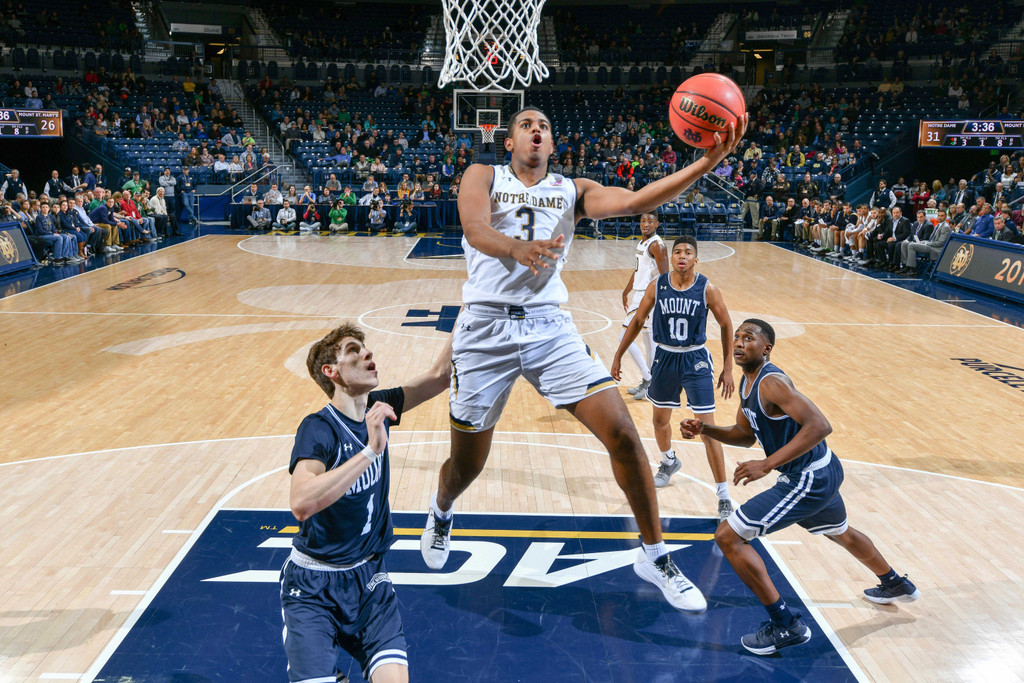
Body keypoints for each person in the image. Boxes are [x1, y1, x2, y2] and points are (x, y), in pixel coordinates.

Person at [419, 106, 747, 613]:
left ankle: (654, 554)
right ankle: (442, 511)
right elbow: (474, 228)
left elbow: (638, 199)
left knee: (622, 432)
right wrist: (516, 248)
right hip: (485, 327)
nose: (536, 131)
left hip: (549, 327)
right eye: (526, 125)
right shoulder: (483, 174)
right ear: (509, 142)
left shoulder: (573, 190)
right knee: (466, 465)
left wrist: (705, 163)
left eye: (544, 126)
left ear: (552, 145)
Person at [681, 319, 920, 655]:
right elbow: (745, 435)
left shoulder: (771, 383)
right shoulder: (750, 387)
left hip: (808, 476)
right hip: (821, 471)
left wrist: (767, 464)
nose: (738, 342)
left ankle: (785, 625)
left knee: (728, 536)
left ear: (766, 348)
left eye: (748, 338)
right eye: (736, 337)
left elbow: (820, 425)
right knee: (841, 532)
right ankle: (895, 583)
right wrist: (706, 429)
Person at [282, 322, 451, 683]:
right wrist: (371, 451)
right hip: (314, 584)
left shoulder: (380, 406)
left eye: (365, 347)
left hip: (369, 580)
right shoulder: (318, 428)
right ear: (332, 371)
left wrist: (476, 302)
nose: (367, 353)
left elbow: (440, 376)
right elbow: (301, 502)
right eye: (353, 351)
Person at [611, 235, 736, 517]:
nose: (681, 256)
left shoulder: (707, 289)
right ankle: (669, 462)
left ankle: (723, 494)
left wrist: (728, 367)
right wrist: (618, 355)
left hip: (695, 359)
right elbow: (638, 320)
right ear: (673, 258)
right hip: (665, 357)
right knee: (659, 420)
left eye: (687, 252)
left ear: (695, 259)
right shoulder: (658, 285)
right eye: (677, 251)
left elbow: (727, 324)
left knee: (708, 429)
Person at [618, 212, 668, 400]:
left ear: (657, 223)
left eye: (650, 221)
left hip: (648, 297)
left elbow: (665, 276)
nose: (646, 224)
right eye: (643, 221)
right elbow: (638, 270)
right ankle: (650, 386)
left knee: (624, 337)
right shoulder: (643, 243)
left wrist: (662, 301)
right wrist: (625, 291)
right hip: (640, 294)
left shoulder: (657, 245)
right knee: (649, 340)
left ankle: (648, 378)